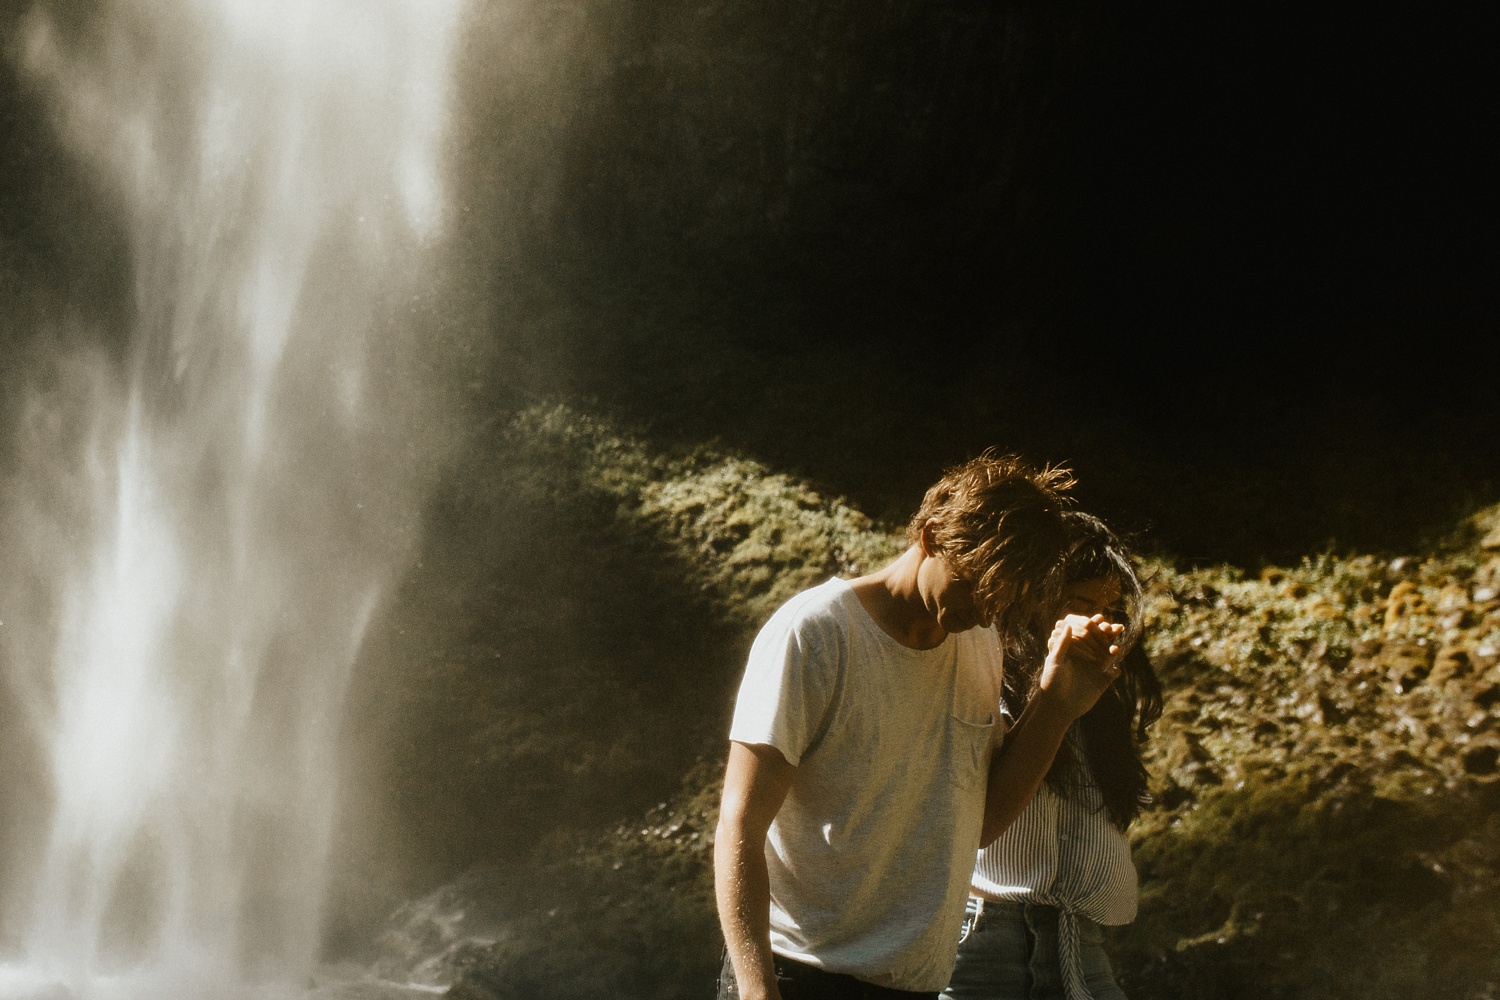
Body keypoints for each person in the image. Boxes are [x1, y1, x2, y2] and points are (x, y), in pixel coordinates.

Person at [714, 452, 1127, 1000]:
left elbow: (969, 829)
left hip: (912, 984)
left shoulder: (979, 645)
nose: (984, 612)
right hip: (798, 974)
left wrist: (1055, 705)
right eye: (976, 587)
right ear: (931, 536)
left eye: (1003, 602)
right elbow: (739, 825)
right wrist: (757, 991)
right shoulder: (816, 633)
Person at [940, 513, 1164, 1000]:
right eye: (1081, 603)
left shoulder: (1102, 703)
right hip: (982, 943)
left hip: (1083, 948)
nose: (1101, 622)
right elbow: (974, 819)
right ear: (1035, 599)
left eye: (1112, 607)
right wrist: (1051, 706)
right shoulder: (982, 673)